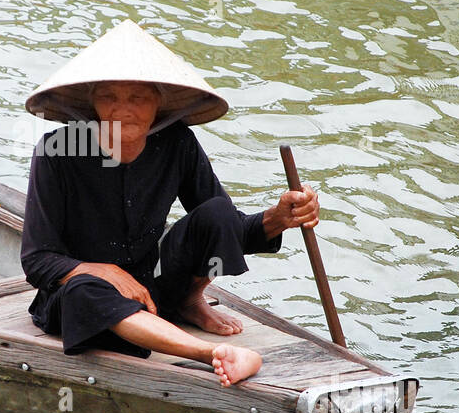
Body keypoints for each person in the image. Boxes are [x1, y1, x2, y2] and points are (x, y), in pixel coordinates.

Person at [20, 20, 319, 386]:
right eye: (109, 97)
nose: (122, 110)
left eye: (137, 98)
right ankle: (212, 354)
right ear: (92, 103)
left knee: (216, 211)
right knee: (86, 289)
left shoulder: (177, 143)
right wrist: (103, 271)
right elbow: (38, 259)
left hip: (151, 287)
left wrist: (277, 218)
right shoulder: (57, 150)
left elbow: (226, 226)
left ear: (158, 104)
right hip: (77, 296)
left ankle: (189, 301)